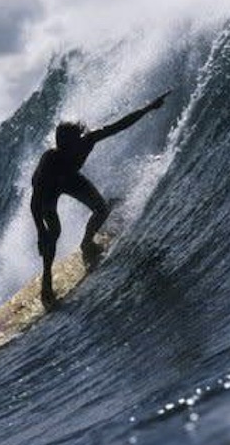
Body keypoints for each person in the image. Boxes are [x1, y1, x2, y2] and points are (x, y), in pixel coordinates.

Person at [31, 91, 169, 308]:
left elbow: (119, 126)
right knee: (53, 232)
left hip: (71, 179)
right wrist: (40, 231)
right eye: (71, 142)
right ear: (63, 145)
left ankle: (86, 242)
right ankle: (46, 281)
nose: (79, 142)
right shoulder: (50, 160)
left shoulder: (88, 140)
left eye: (79, 138)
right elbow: (35, 201)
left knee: (101, 209)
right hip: (48, 189)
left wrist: (148, 109)